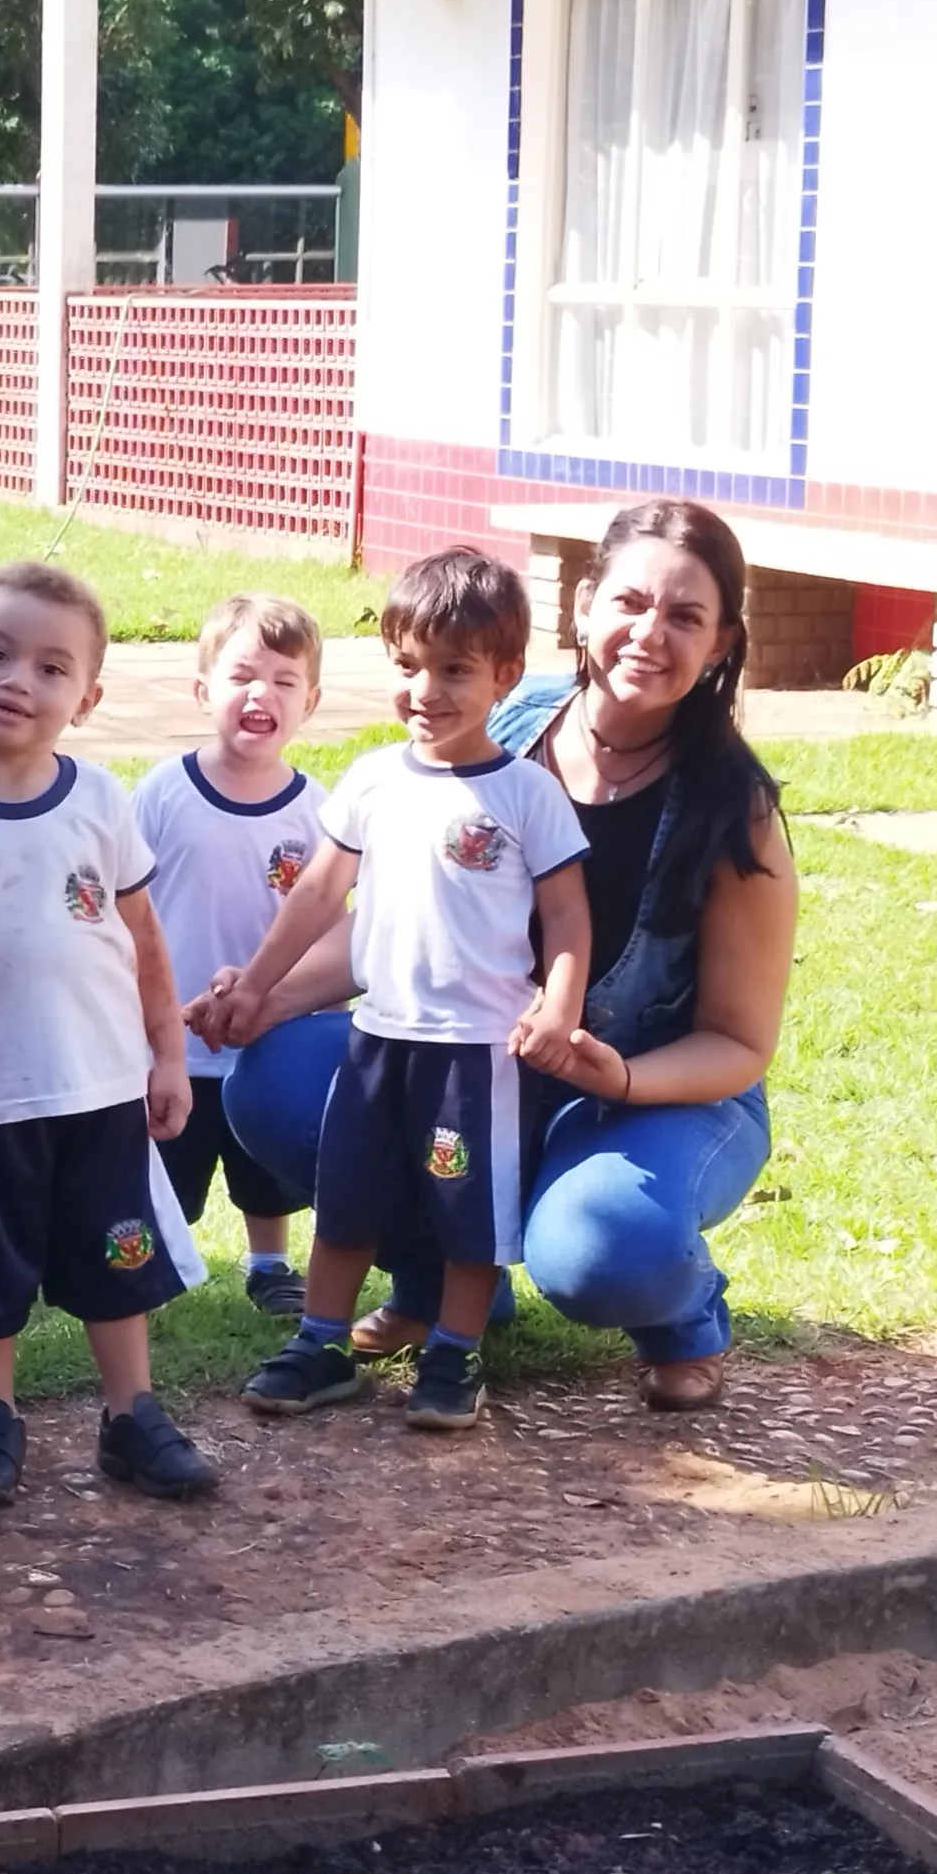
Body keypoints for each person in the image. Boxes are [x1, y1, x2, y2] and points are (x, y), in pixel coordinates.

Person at [205, 500, 797, 1414]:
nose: (649, 634)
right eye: (631, 602)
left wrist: (620, 1078)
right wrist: (265, 995)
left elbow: (739, 1044)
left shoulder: (734, 809)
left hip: (662, 1088)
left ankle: (683, 1314)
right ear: (585, 604)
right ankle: (438, 1289)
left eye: (686, 617)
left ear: (721, 643)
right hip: (478, 1053)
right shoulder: (504, 718)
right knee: (276, 1080)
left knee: (600, 1247)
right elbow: (403, 929)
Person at [0, 563, 219, 1510]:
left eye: (52, 668)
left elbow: (142, 937)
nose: (20, 679)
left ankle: (131, 1414)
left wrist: (167, 1054)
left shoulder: (100, 799)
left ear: (87, 698)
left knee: (118, 1264)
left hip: (103, 1090)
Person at [206, 551, 593, 1431]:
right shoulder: (375, 781)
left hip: (478, 1055)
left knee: (468, 1213)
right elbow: (315, 895)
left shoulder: (529, 796)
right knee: (348, 1201)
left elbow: (568, 920)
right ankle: (321, 1343)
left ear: (503, 675)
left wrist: (559, 1004)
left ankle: (456, 1354)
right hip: (375, 1039)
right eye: (409, 667)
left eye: (454, 671)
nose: (426, 691)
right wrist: (256, 988)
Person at [135, 591, 328, 1322]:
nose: (262, 694)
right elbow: (127, 908)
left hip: (270, 1039)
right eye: (243, 675)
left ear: (309, 702)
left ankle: (269, 1263)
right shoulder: (163, 793)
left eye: (284, 681)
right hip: (174, 1038)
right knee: (169, 1161)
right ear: (202, 690)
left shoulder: (317, 811)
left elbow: (327, 926)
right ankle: (155, 1258)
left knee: (265, 1168)